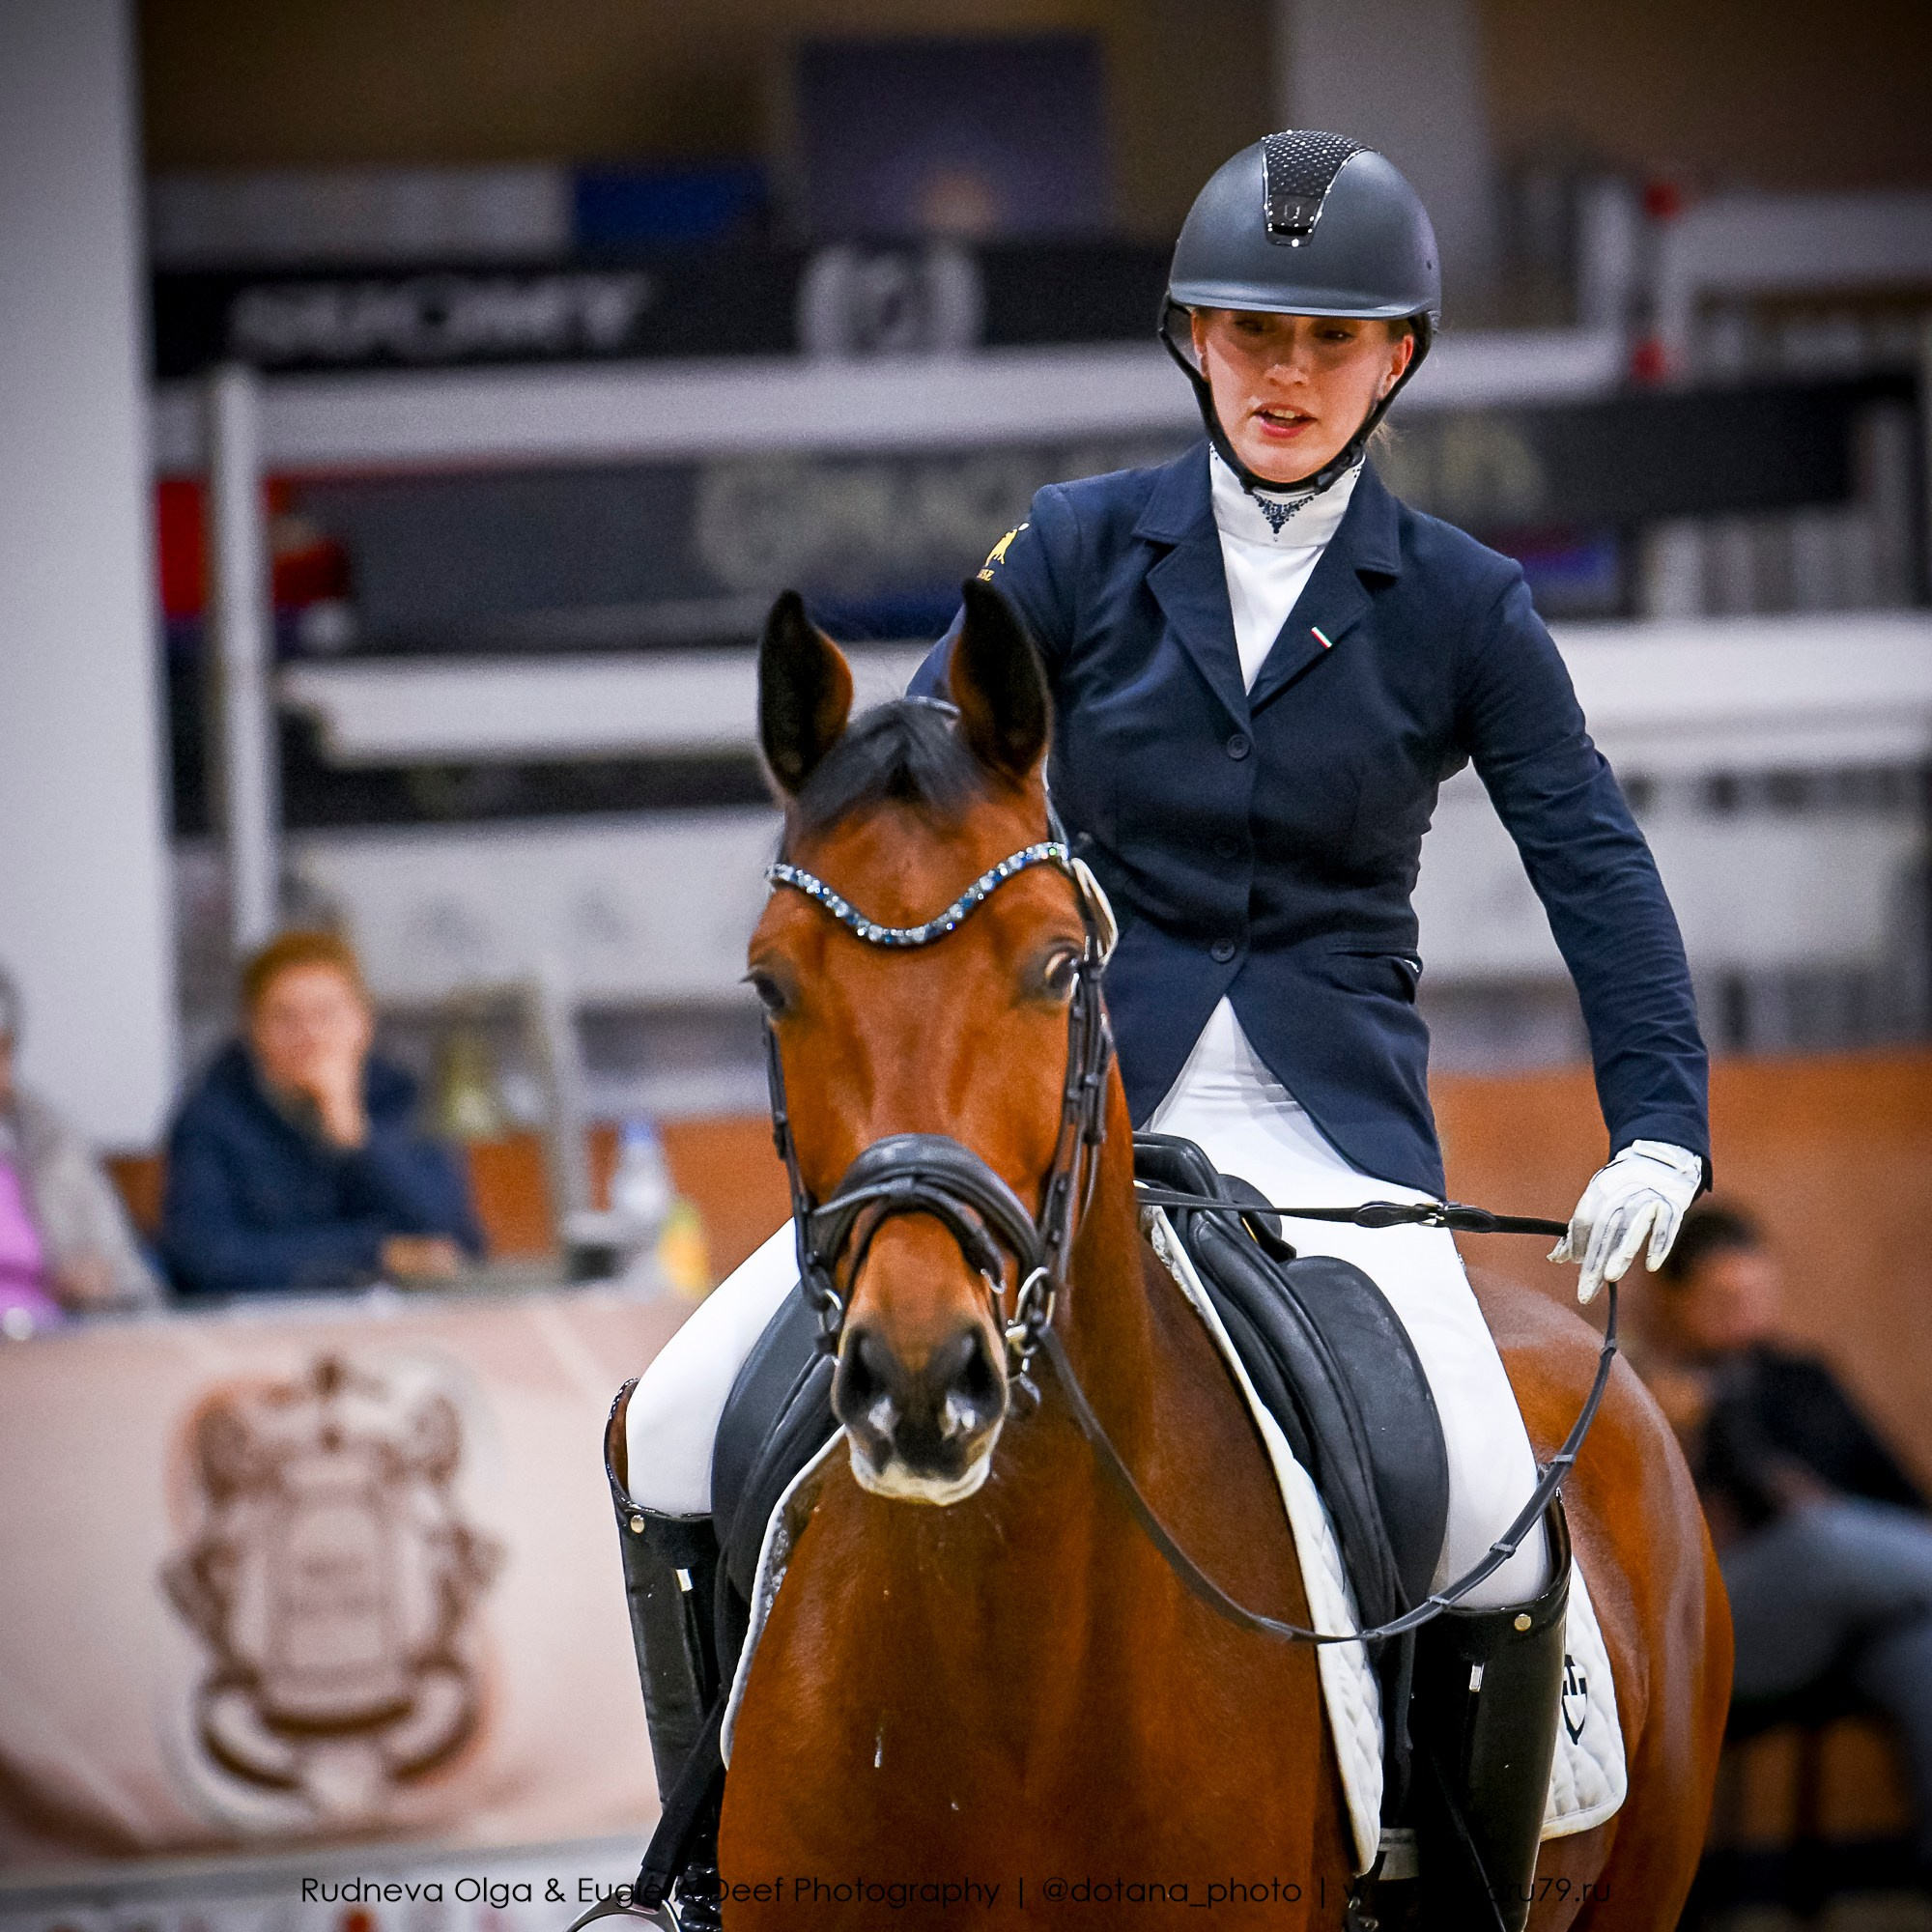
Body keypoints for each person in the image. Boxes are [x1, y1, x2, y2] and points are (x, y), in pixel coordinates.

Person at [622, 131, 1709, 1930]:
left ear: (1398, 362)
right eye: (1251, 334)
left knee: (1486, 1492)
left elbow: (1588, 853)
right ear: (1192, 341)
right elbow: (919, 804)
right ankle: (700, 1870)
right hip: (1049, 1101)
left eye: (1331, 342)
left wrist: (1660, 1116)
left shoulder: (1462, 605)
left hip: (1327, 1135)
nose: (1286, 376)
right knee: (672, 1418)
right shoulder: (1070, 548)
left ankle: (1440, 1897)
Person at [1634, 1203, 1932, 1885]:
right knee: (1821, 1539)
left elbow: (1904, 1504)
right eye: (1723, 1299)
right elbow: (1637, 1553)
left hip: (1837, 1625)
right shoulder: (1638, 1389)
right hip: (1717, 1631)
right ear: (1672, 1297)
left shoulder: (1800, 1378)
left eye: (1756, 1293)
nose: (1746, 1314)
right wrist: (1675, 1437)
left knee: (1923, 1645)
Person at [161, 929, 483, 1298]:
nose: (310, 1035)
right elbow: (205, 1260)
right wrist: (375, 1253)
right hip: (267, 1333)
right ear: (252, 1029)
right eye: (286, 1018)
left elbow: (455, 1242)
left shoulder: (402, 1098)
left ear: (363, 1022)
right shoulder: (210, 1118)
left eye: (327, 1014)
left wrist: (355, 1133)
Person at [0, 964, 166, 1333]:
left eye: (2, 1049)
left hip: (53, 1351)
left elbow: (135, 1287)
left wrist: (99, 1285)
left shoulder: (49, 1140)